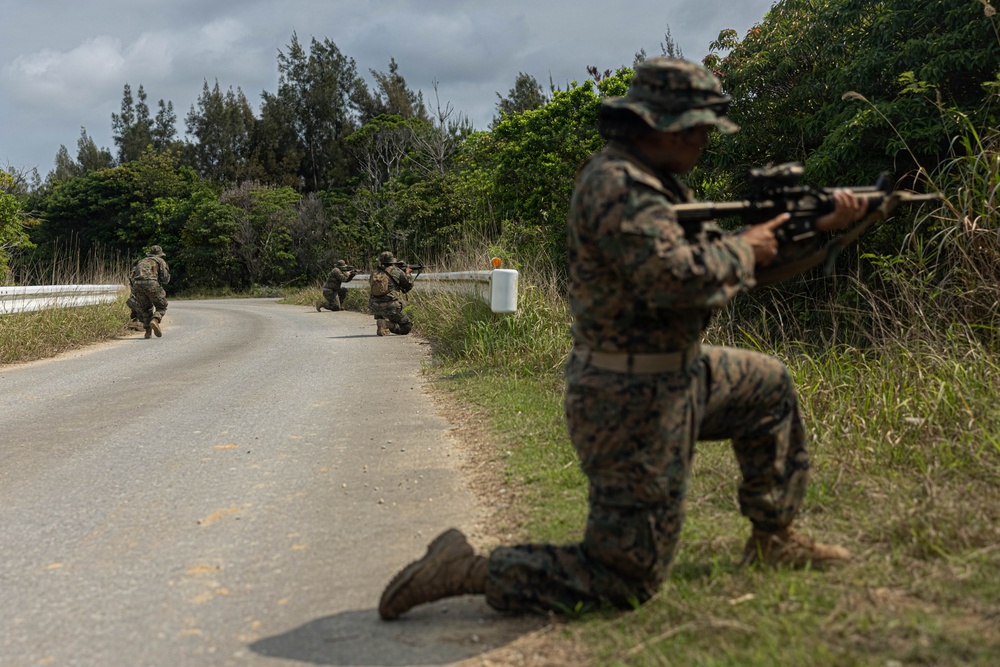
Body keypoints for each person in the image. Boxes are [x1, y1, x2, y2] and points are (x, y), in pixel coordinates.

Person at [377, 57, 867, 621]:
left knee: (767, 387)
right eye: (699, 128)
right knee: (624, 579)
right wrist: (744, 248)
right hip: (626, 397)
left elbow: (737, 267)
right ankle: (466, 568)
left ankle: (772, 535)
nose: (705, 140)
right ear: (662, 126)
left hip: (676, 372)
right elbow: (674, 278)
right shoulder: (617, 185)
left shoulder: (658, 184)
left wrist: (830, 229)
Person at [369, 251, 415, 336]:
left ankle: (382, 320)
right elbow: (408, 285)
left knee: (389, 311)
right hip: (390, 306)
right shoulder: (396, 271)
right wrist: (408, 273)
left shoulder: (374, 272)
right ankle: (387, 324)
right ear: (392, 261)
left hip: (374, 306)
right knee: (407, 326)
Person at [129, 244, 170, 339]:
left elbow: (132, 277)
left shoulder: (141, 261)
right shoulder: (160, 261)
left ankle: (148, 332)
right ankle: (155, 320)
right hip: (152, 284)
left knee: (146, 309)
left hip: (137, 285)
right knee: (162, 306)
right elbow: (165, 278)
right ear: (159, 254)